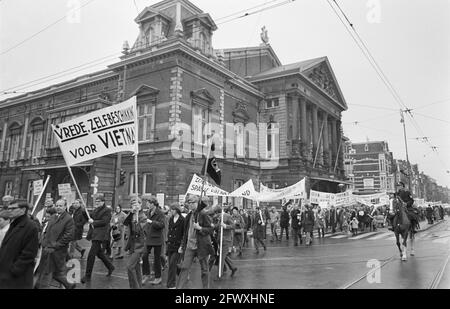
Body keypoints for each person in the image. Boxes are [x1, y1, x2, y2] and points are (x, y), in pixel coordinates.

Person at [177, 194, 215, 289]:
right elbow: (186, 232)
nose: (191, 205)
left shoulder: (203, 214)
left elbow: (211, 229)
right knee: (184, 268)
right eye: (189, 203)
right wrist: (182, 245)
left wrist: (200, 228)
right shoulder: (189, 216)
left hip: (201, 245)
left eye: (193, 203)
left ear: (197, 203)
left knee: (204, 270)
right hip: (190, 246)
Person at [35, 199, 75, 289]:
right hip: (47, 248)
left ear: (65, 207)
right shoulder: (53, 217)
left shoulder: (69, 219)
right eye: (57, 205)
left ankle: (42, 286)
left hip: (57, 250)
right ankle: (69, 284)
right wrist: (44, 242)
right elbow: (47, 231)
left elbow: (68, 235)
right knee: (53, 271)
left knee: (47, 272)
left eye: (60, 206)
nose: (58, 207)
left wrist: (56, 245)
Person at [0, 200, 39, 289]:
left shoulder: (30, 227)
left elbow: (29, 253)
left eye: (13, 208)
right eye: (9, 208)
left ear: (23, 210)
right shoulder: (13, 224)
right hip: (6, 273)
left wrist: (14, 269)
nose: (9, 211)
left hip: (17, 277)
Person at [81, 194, 115, 284]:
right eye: (96, 201)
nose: (97, 203)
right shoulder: (96, 209)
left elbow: (105, 221)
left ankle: (87, 276)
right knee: (99, 253)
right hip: (94, 234)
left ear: (103, 202)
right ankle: (110, 266)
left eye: (98, 201)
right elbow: (89, 216)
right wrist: (84, 210)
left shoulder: (107, 210)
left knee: (91, 255)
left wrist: (94, 222)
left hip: (101, 235)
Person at [141, 195, 165, 286]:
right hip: (149, 238)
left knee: (157, 258)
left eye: (148, 203)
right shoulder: (148, 212)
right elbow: (146, 223)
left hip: (157, 238)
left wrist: (151, 222)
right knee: (144, 255)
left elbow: (162, 225)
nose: (147, 204)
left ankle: (158, 277)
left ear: (153, 203)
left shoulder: (160, 213)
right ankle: (146, 274)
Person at [123, 196, 147, 289]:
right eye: (133, 204)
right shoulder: (132, 214)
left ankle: (135, 287)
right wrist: (131, 214)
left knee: (130, 266)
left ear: (140, 205)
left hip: (140, 245)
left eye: (136, 204)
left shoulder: (143, 216)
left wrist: (137, 223)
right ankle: (138, 286)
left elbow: (140, 231)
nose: (135, 206)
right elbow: (125, 223)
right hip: (132, 244)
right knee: (136, 268)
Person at [212, 206, 237, 280]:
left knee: (222, 257)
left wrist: (226, 226)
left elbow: (233, 226)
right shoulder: (220, 217)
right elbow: (219, 226)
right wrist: (213, 226)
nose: (216, 216)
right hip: (220, 239)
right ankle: (233, 267)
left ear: (218, 212)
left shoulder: (227, 216)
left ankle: (219, 275)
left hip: (226, 240)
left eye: (216, 214)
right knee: (223, 255)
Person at [166, 203, 185, 289]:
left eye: (172, 210)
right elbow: (169, 232)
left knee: (172, 264)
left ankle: (171, 285)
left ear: (176, 210)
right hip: (170, 244)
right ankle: (183, 273)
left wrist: (182, 245)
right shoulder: (171, 219)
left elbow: (184, 234)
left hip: (177, 245)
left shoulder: (182, 220)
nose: (171, 211)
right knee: (172, 265)